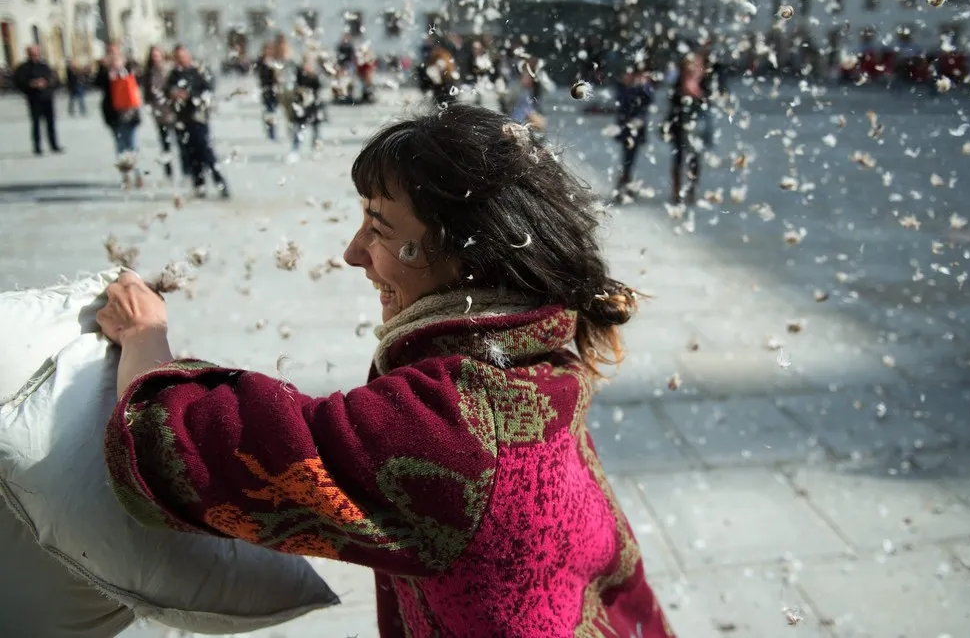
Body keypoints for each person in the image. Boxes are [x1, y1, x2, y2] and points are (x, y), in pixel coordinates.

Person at [95, 103, 676, 638]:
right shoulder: (542, 360)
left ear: (467, 256)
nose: (351, 253)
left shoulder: (453, 426)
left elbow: (174, 444)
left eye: (378, 228)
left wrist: (145, 336)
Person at [167, 44, 230, 199]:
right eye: (178, 57)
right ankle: (199, 184)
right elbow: (167, 90)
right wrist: (174, 94)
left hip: (198, 117)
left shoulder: (198, 71)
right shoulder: (174, 74)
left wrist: (190, 95)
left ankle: (219, 182)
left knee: (206, 151)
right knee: (190, 153)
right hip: (182, 119)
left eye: (183, 56)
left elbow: (208, 89)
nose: (181, 60)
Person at [664, 52, 711, 205]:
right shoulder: (678, 79)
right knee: (678, 158)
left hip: (697, 125)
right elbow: (672, 100)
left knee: (694, 159)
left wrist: (697, 93)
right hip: (679, 123)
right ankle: (676, 192)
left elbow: (709, 100)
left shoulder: (704, 79)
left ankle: (691, 189)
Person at [95, 43, 143, 188]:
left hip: (130, 114)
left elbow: (139, 78)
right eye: (110, 53)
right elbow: (97, 84)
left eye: (116, 53)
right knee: (120, 146)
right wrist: (105, 70)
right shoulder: (104, 72)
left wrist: (127, 68)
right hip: (114, 115)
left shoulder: (128, 68)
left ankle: (138, 174)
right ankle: (125, 176)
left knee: (133, 145)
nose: (113, 57)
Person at [143, 46, 187, 181]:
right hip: (159, 113)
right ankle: (168, 171)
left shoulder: (169, 69)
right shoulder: (149, 73)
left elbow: (175, 86)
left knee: (181, 142)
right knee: (165, 144)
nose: (156, 58)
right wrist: (151, 108)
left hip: (173, 111)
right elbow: (147, 94)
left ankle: (186, 170)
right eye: (153, 55)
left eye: (158, 55)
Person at [612, 63, 654, 202]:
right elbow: (622, 100)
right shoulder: (626, 83)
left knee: (630, 156)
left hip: (637, 124)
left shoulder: (643, 84)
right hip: (627, 124)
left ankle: (624, 183)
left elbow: (647, 101)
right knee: (628, 156)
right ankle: (624, 185)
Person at [13, 45, 63, 155]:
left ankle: (54, 145)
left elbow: (54, 79)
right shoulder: (23, 68)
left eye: (36, 54)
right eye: (33, 54)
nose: (35, 56)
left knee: (51, 123)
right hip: (34, 99)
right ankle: (37, 147)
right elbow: (18, 82)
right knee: (36, 124)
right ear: (28, 54)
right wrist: (31, 84)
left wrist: (46, 83)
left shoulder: (44, 66)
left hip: (47, 98)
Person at [287, 55, 323, 162]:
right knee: (298, 129)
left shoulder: (316, 75)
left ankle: (316, 150)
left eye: (309, 64)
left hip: (313, 106)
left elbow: (319, 87)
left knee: (316, 131)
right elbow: (294, 87)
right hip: (301, 106)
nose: (307, 66)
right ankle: (295, 150)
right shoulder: (299, 73)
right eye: (306, 63)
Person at [254, 41, 282, 141]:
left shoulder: (274, 62)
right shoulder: (261, 62)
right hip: (266, 90)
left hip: (273, 91)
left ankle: (272, 131)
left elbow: (278, 77)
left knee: (272, 111)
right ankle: (270, 132)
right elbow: (257, 72)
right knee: (268, 111)